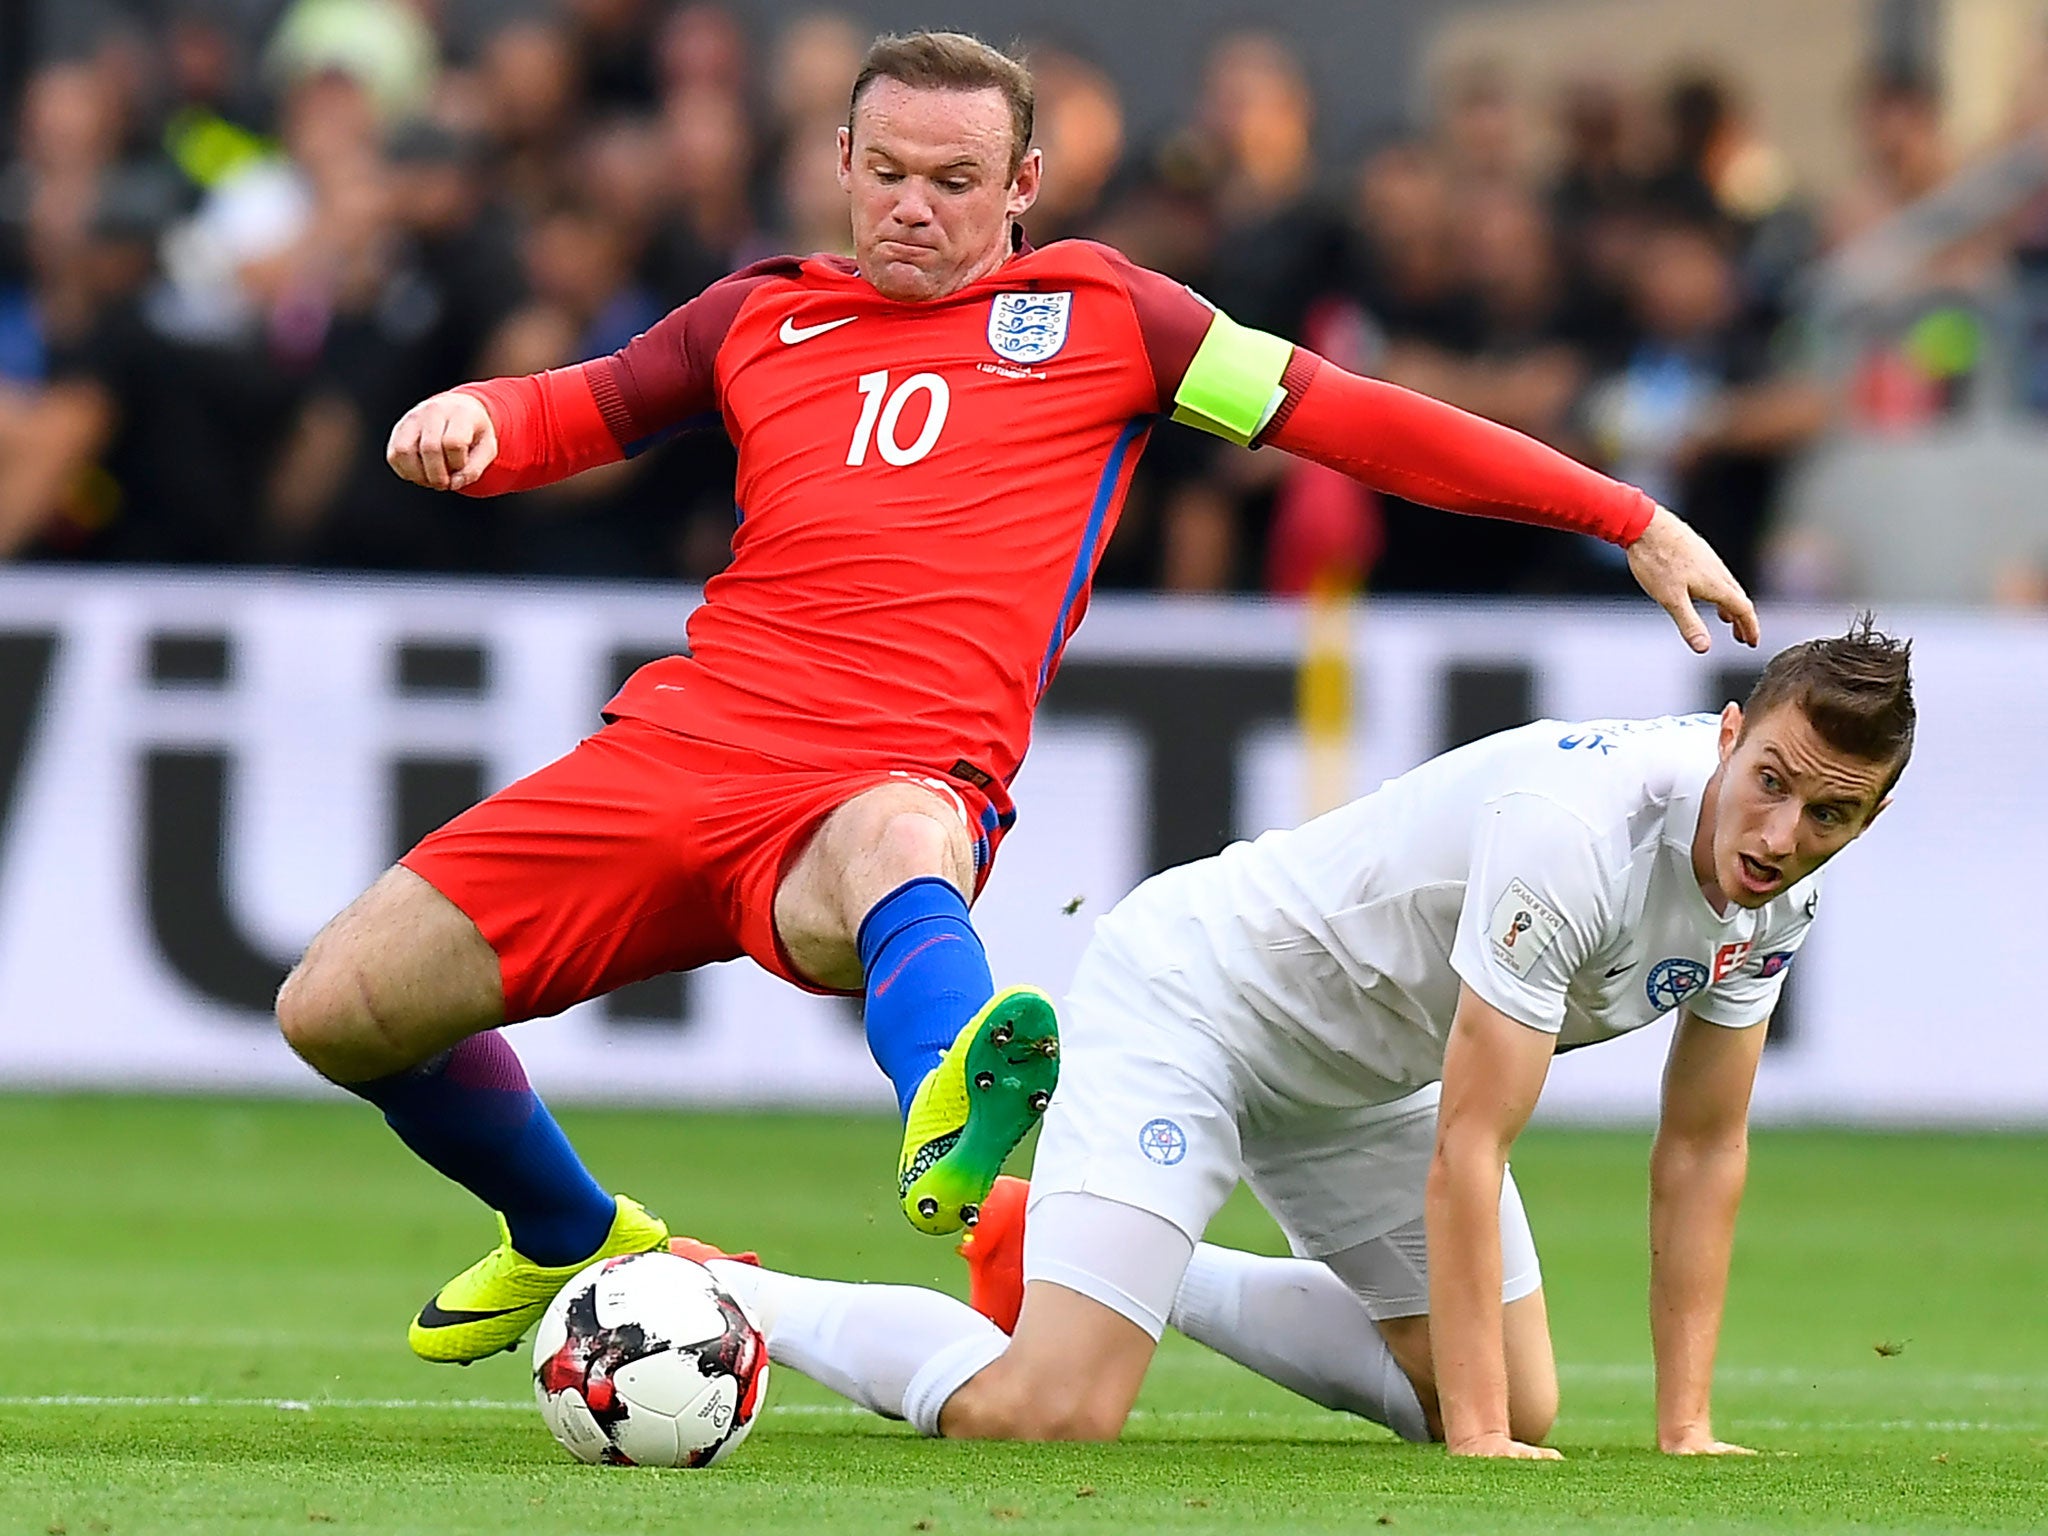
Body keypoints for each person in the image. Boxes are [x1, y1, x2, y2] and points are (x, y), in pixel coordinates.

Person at [272, 31, 1759, 1369]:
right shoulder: (756, 316)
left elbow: (1348, 416)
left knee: (890, 856)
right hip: (679, 745)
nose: (916, 206)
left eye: (957, 179)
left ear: (1023, 184)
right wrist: (480, 417)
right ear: (842, 163)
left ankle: (955, 1115)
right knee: (335, 1009)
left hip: (894, 773)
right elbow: (584, 405)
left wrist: (1620, 512)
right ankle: (573, 1233)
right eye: (892, 172)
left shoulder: (1112, 319)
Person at [683, 620, 1912, 1455]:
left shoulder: (1782, 889)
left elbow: (1701, 1147)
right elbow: (1473, 1146)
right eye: (1768, 782)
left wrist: (1681, 1425)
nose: (1781, 834)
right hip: (1201, 1001)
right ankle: (728, 1291)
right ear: (1723, 731)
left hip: (1368, 1078)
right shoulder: (1575, 833)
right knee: (1049, 1412)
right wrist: (1477, 1450)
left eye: (1830, 814)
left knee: (1516, 1403)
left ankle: (1041, 1239)